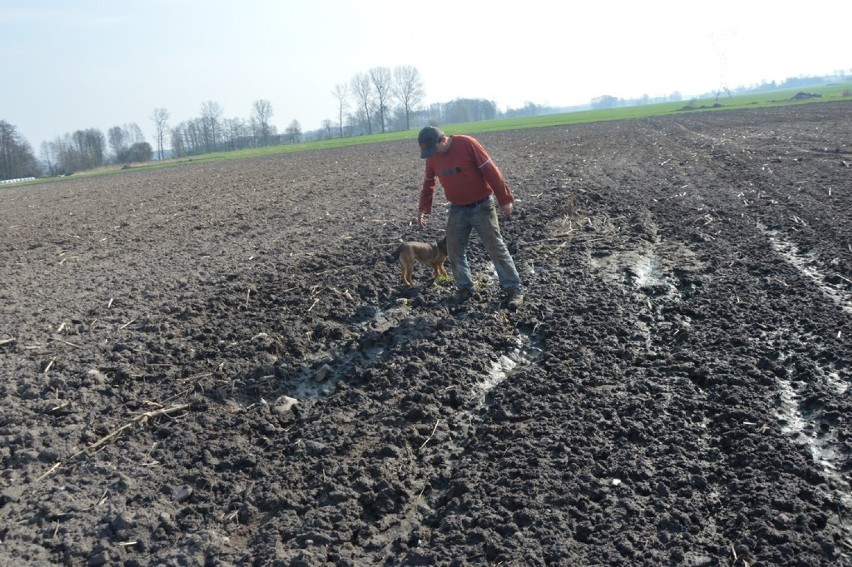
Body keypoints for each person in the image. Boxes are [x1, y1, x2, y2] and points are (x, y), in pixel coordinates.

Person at [416, 126, 523, 310]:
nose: (432, 155)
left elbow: (491, 170)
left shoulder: (467, 144)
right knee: (454, 248)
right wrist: (424, 208)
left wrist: (504, 199)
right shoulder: (432, 157)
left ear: (442, 140)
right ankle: (464, 288)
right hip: (457, 209)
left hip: (482, 206)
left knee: (495, 247)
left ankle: (513, 289)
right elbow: (428, 184)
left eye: (433, 150)